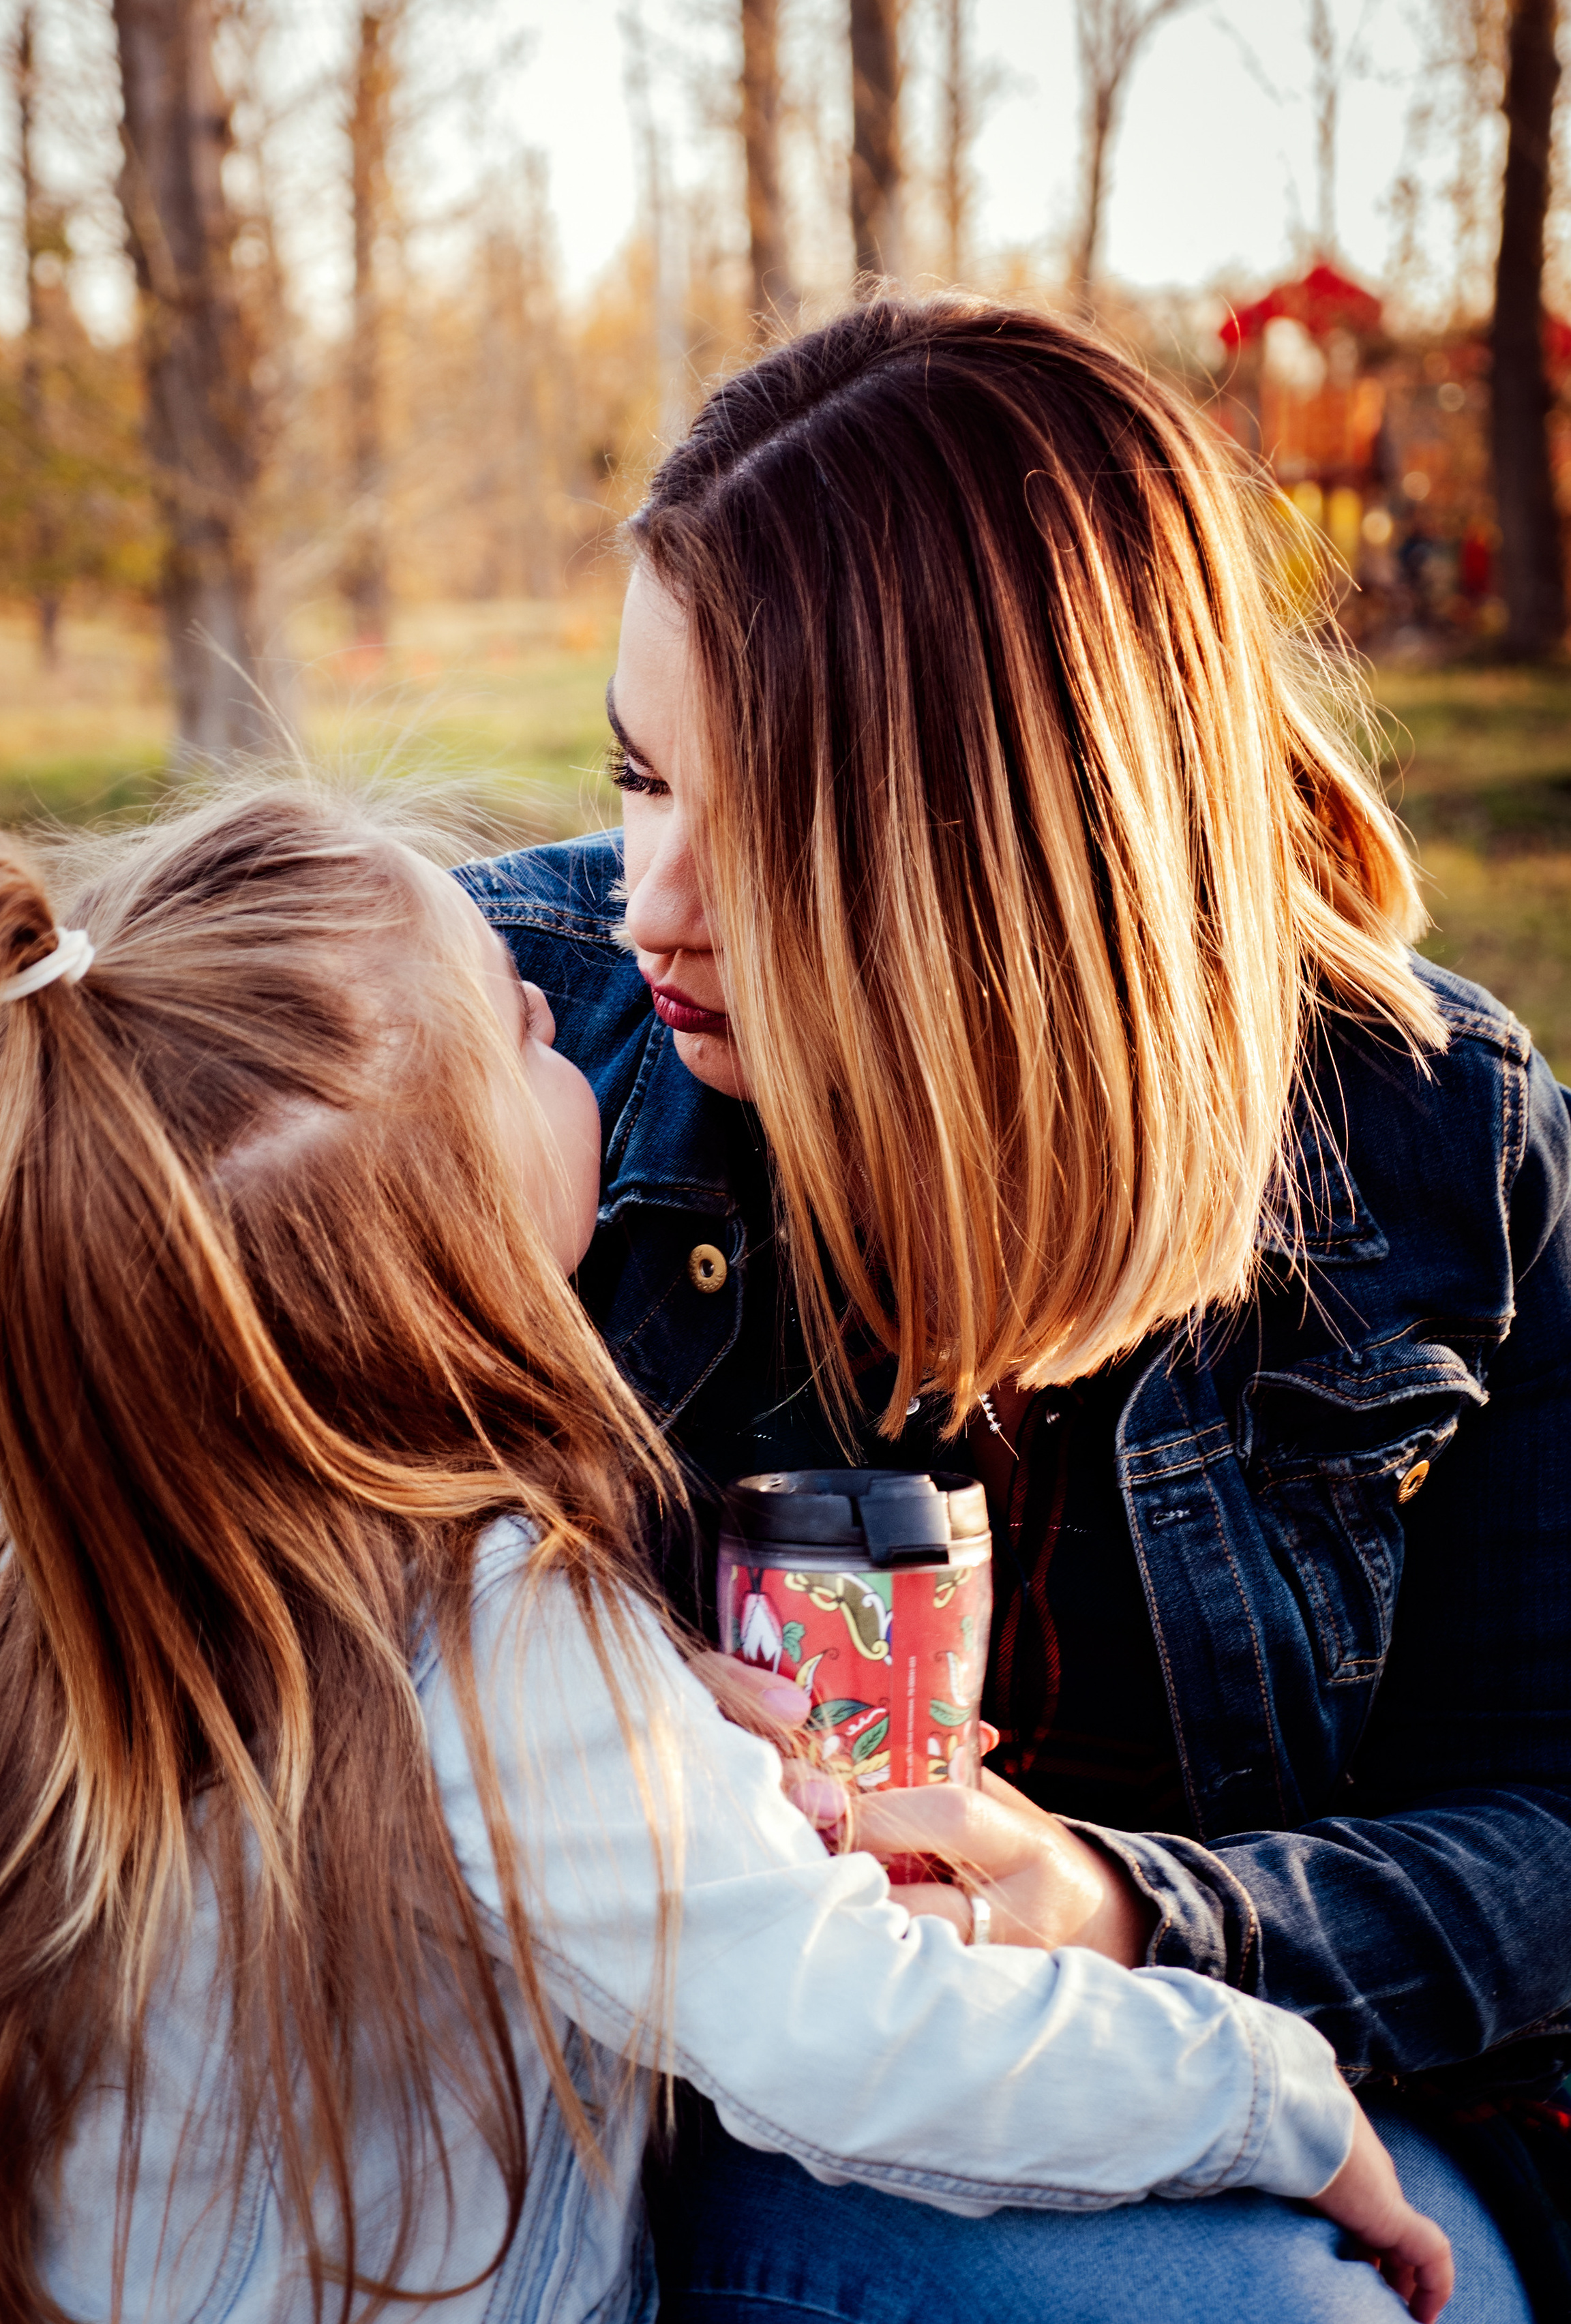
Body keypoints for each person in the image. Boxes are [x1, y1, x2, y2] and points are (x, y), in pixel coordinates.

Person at [0, 789, 1446, 2324]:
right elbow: (854, 2034)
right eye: (530, 1033)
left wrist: (648, 1697)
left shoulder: (51, 1550)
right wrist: (1265, 2095)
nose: (576, 1027)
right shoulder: (516, 1649)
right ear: (445, 1236)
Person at [454, 301, 1571, 2320]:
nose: (652, 900)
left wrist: (1136, 1921)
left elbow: (1555, 1832)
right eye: (637, 779)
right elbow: (199, 1612)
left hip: (1335, 2100)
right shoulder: (496, 1052)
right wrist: (563, 1718)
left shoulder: (1439, 1146)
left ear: (1017, 854)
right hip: (736, 2115)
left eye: (762, 820)